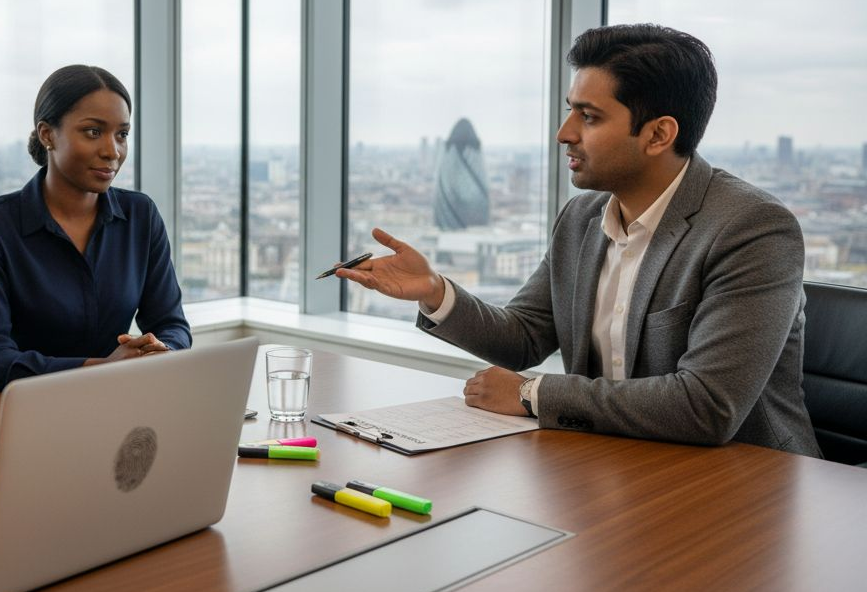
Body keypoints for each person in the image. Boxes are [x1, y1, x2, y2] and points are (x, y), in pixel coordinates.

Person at [337, 24, 819, 456]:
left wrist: (532, 394)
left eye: (588, 117)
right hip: (618, 462)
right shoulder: (582, 217)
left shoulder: (751, 229)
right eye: (571, 112)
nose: (563, 133)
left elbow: (706, 406)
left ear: (658, 134)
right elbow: (525, 336)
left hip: (746, 483)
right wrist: (435, 292)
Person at [0, 65, 191, 392]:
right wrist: (101, 369)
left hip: (119, 404)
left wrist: (160, 352)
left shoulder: (140, 215)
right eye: (93, 132)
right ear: (47, 134)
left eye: (122, 134)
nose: (112, 151)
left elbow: (172, 325)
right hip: (23, 417)